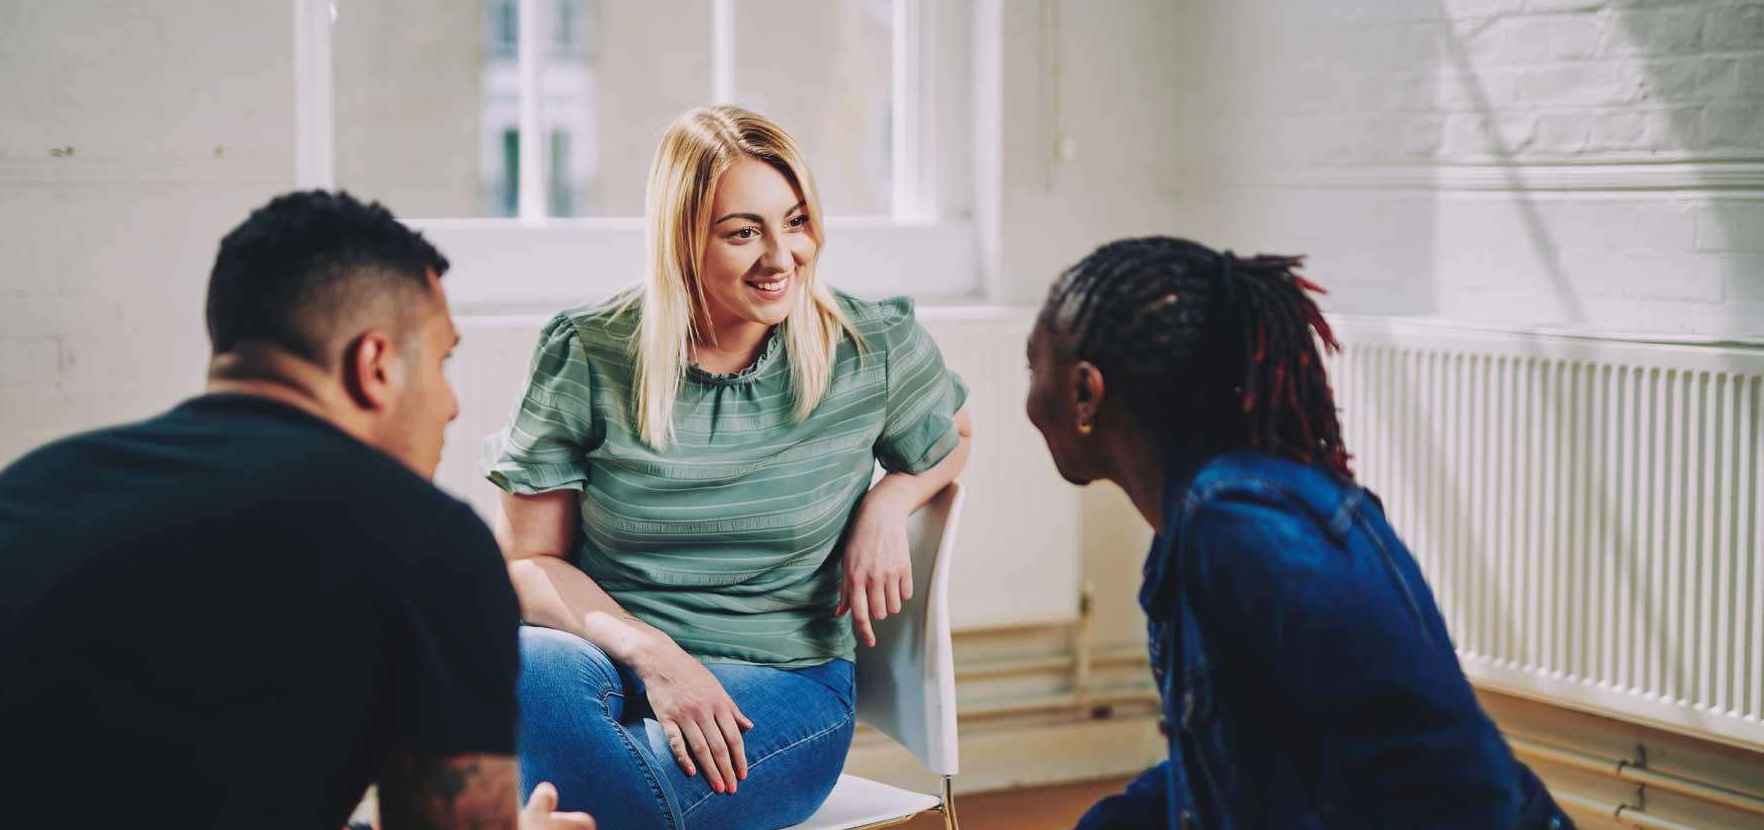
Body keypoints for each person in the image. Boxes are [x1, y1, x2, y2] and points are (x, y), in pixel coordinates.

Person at [0, 191, 589, 830]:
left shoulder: (29, 489)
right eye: (443, 361)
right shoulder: (430, 541)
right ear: (375, 365)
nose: (454, 403)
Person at [490, 106, 972, 830]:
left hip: (784, 682)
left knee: (603, 793)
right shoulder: (590, 351)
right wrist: (656, 656)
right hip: (609, 655)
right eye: (744, 232)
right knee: (524, 670)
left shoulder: (871, 346)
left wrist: (888, 503)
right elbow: (529, 564)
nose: (782, 257)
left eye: (797, 221)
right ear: (682, 240)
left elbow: (956, 433)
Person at [1024, 237, 1570, 829]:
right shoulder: (1192, 532)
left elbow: (1462, 788)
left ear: (1085, 392)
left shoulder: (1242, 527)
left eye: (1033, 366)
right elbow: (1231, 759)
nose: (1029, 398)